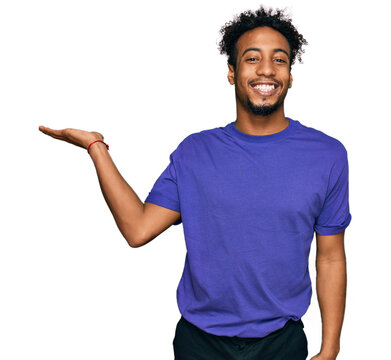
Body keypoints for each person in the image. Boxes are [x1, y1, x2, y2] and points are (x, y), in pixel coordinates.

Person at [39, 5, 351, 360]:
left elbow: (330, 258)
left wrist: (330, 348)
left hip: (281, 342)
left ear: (291, 75)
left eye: (279, 60)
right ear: (232, 73)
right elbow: (138, 229)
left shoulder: (327, 155)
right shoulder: (195, 152)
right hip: (199, 344)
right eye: (252, 58)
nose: (266, 69)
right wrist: (96, 148)